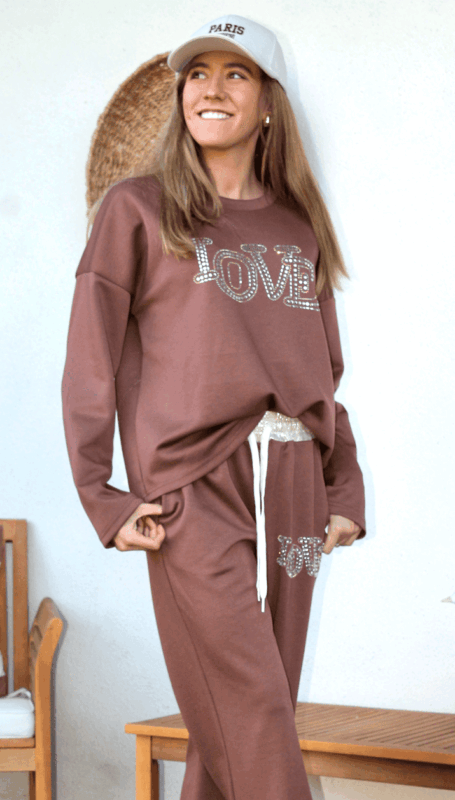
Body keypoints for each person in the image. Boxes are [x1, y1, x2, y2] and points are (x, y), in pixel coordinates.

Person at [62, 14, 366, 800]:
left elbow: (323, 375)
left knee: (248, 714)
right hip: (193, 490)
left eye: (235, 74)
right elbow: (90, 360)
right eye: (197, 74)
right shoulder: (137, 209)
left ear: (267, 102)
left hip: (296, 491)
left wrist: (343, 488)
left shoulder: (297, 226)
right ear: (180, 97)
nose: (211, 89)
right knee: (253, 710)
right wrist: (101, 495)